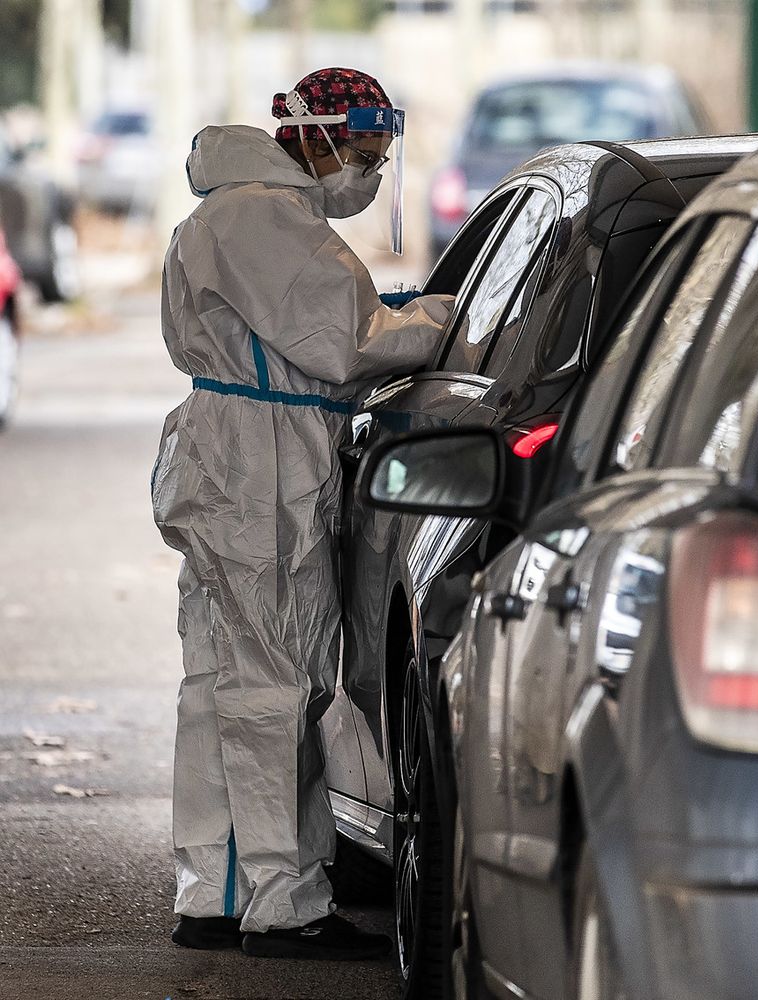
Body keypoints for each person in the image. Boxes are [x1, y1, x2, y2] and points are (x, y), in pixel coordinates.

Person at [150, 67, 453, 960]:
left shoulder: (241, 213)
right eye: (362, 149)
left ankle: (216, 892)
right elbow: (344, 345)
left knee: (219, 683)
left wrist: (386, 312)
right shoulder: (265, 218)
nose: (368, 167)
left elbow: (312, 321)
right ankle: (282, 907)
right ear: (312, 136)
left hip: (234, 455)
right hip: (260, 466)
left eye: (379, 152)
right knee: (278, 683)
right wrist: (445, 321)